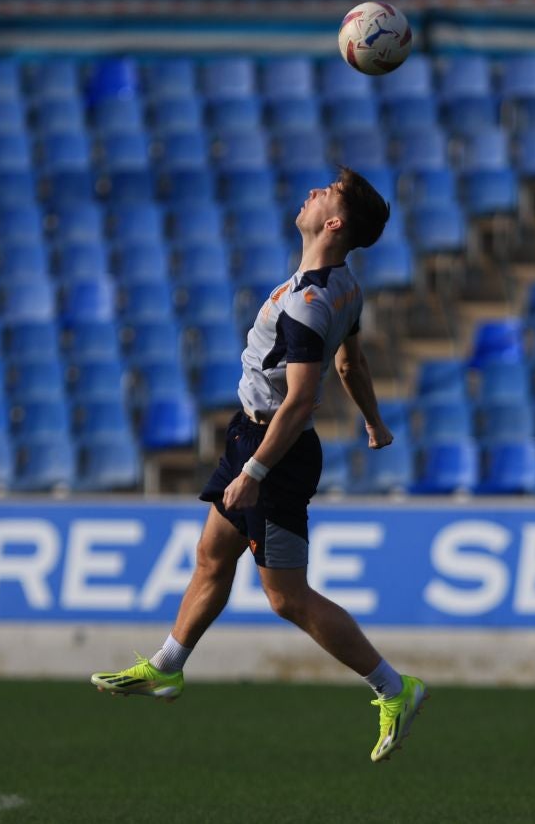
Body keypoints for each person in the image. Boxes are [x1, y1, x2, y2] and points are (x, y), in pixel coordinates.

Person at [91, 167, 428, 763]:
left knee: (287, 598)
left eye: (326, 192)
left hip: (274, 449)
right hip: (249, 436)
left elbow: (300, 400)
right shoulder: (341, 286)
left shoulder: (308, 302)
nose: (313, 192)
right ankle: (168, 666)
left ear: (334, 222)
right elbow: (349, 363)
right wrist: (374, 421)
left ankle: (394, 689)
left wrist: (255, 473)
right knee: (212, 555)